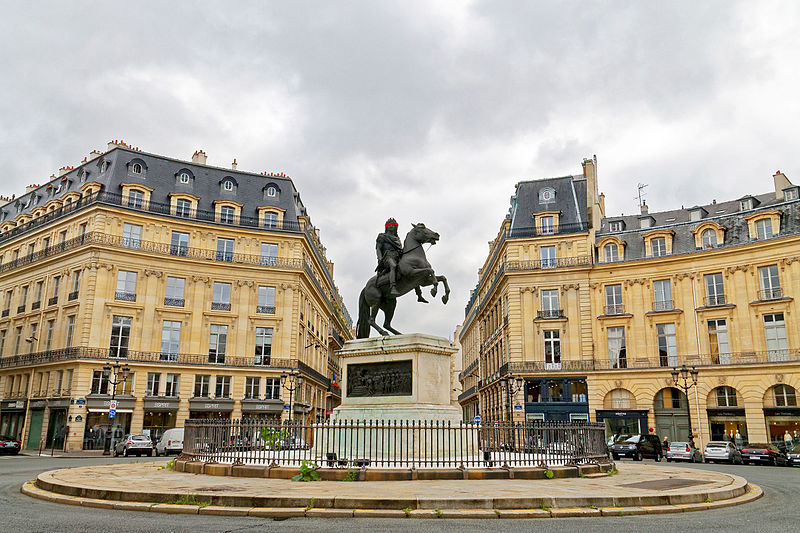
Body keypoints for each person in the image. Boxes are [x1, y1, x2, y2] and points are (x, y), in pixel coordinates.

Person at [375, 218, 427, 302]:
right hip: (388, 257)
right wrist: (379, 259)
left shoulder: (397, 238)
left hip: (397, 256)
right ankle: (393, 287)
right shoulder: (382, 236)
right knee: (393, 266)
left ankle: (419, 295)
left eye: (394, 225)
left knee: (411, 268)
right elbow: (378, 248)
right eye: (390, 225)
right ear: (387, 227)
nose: (392, 226)